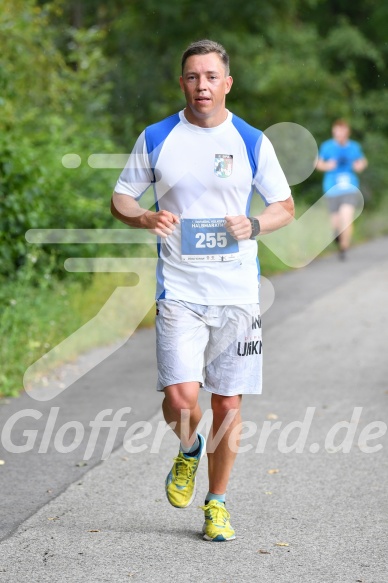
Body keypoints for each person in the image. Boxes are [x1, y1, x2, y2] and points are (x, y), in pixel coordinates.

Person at [111, 39, 294, 542]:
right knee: (180, 394)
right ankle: (188, 448)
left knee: (227, 405)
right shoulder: (157, 136)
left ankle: (217, 503)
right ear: (182, 83)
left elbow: (284, 206)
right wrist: (145, 215)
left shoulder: (253, 141)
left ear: (227, 83)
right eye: (193, 77)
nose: (202, 86)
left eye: (211, 76)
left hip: (236, 291)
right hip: (180, 287)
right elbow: (121, 198)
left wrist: (253, 225)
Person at [316, 119, 367, 259]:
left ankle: (344, 248)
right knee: (336, 222)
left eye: (342, 132)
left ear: (347, 133)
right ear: (334, 132)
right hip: (332, 188)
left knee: (347, 217)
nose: (339, 135)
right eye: (337, 132)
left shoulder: (354, 147)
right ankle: (337, 234)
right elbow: (318, 163)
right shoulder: (327, 146)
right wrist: (327, 166)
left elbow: (362, 161)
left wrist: (360, 166)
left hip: (350, 188)